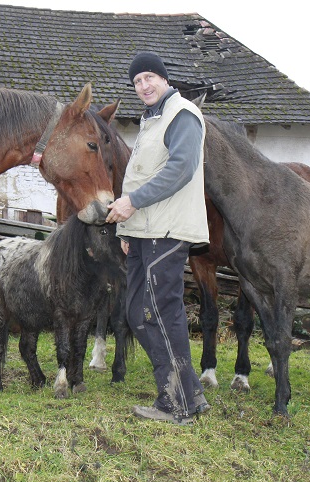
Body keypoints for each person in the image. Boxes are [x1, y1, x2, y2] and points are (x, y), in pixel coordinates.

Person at [106, 51, 211, 425]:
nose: (143, 85)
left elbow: (181, 169)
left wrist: (132, 203)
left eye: (149, 77)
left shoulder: (182, 114)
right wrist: (127, 230)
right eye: (137, 81)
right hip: (144, 231)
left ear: (164, 79)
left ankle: (175, 404)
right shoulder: (151, 121)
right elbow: (141, 174)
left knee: (160, 313)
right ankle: (190, 393)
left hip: (167, 230)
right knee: (138, 313)